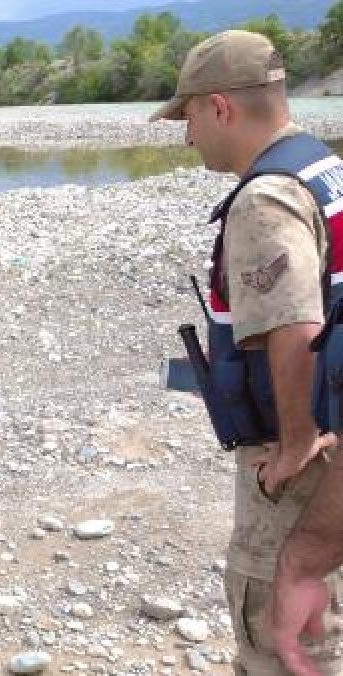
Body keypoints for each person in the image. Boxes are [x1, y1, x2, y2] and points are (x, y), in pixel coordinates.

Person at [152, 30, 343, 673]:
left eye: (189, 117)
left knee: (281, 635)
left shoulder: (264, 199)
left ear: (220, 108)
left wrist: (296, 443)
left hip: (308, 459)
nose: (187, 136)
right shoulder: (318, 164)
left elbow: (295, 328)